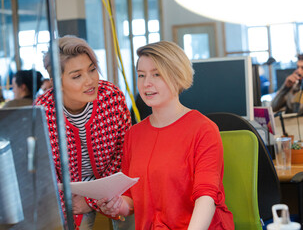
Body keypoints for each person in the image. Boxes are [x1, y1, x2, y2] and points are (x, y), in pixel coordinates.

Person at [97, 41, 234, 229]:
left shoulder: (203, 129)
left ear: (177, 77)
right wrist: (117, 205)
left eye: (156, 74)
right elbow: (130, 199)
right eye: (141, 75)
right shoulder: (133, 135)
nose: (146, 83)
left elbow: (206, 197)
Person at [34, 35, 132, 229]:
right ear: (56, 82)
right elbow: (46, 177)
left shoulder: (111, 98)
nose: (90, 81)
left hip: (114, 187)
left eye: (92, 70)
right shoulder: (43, 112)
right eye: (77, 76)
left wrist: (92, 201)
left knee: (132, 215)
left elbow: (125, 154)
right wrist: (72, 204)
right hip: (70, 197)